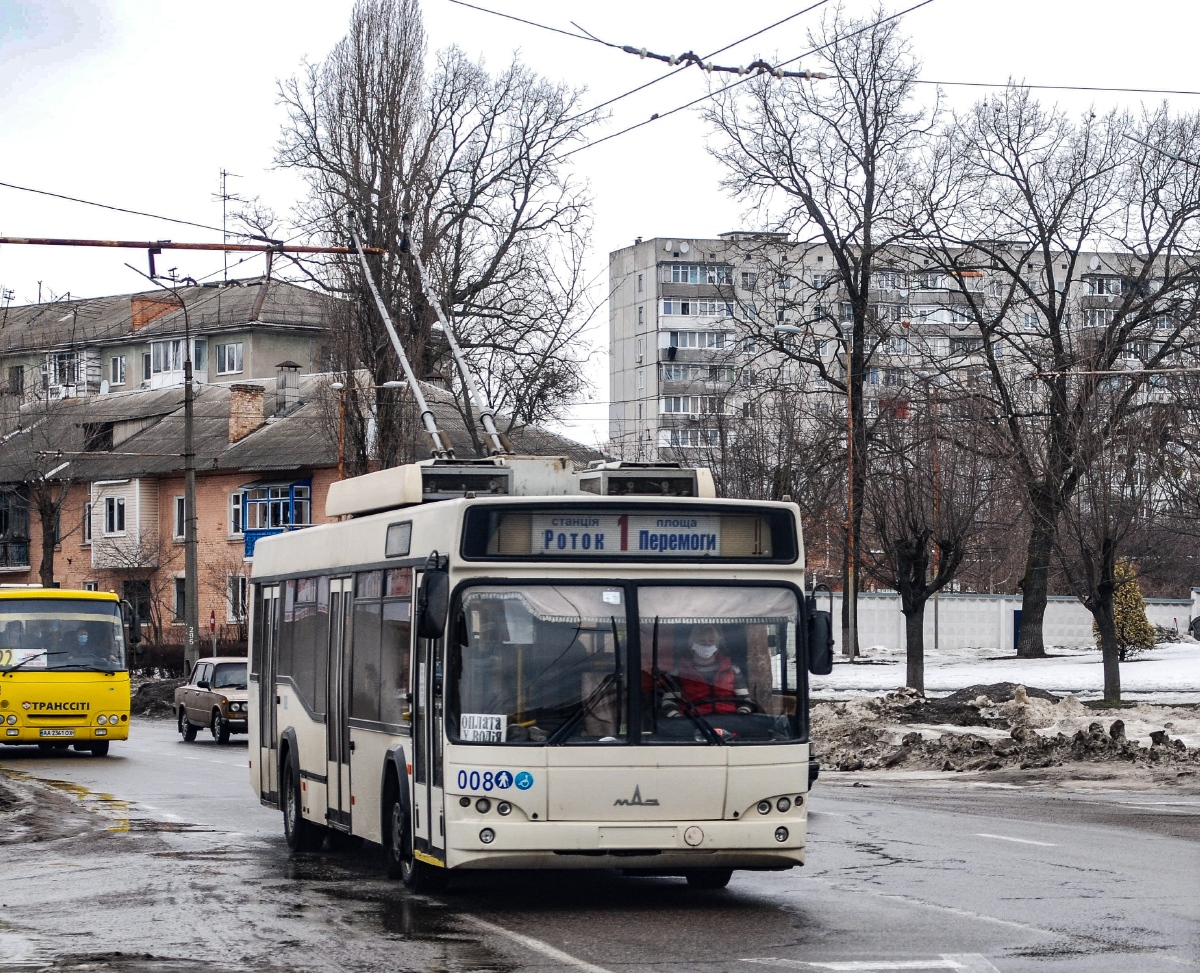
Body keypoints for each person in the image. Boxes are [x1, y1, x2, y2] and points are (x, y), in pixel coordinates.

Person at [662, 624, 753, 718]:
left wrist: (742, 715)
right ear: (692, 643)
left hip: (729, 721)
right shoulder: (679, 673)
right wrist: (680, 720)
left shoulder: (732, 670)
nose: (707, 644)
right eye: (702, 641)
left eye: (711, 641)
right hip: (695, 724)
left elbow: (745, 700)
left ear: (717, 644)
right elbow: (669, 702)